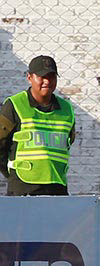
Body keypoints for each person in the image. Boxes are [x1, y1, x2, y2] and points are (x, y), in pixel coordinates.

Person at [0, 55, 75, 196]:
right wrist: (12, 174)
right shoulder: (14, 105)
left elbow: (69, 141)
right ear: (29, 77)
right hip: (23, 187)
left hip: (57, 186)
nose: (47, 81)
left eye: (52, 76)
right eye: (42, 76)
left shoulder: (67, 109)